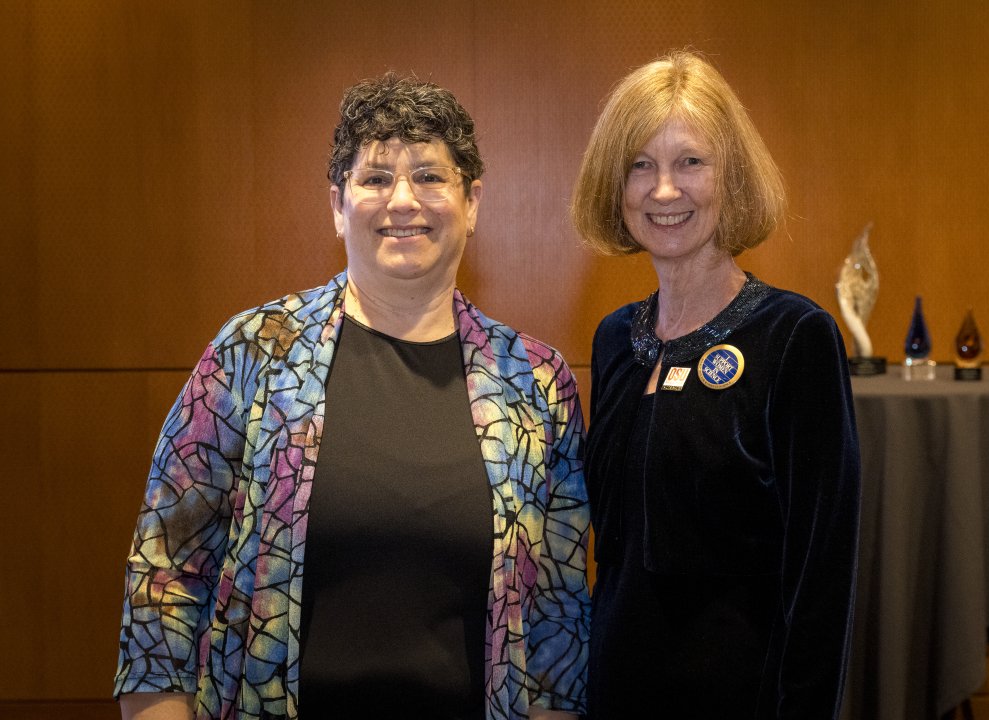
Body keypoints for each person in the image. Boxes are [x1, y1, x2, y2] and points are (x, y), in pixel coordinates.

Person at [114, 73, 590, 720]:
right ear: (337, 205)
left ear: (472, 202)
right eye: (374, 178)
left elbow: (558, 616)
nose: (403, 200)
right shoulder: (253, 352)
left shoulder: (536, 383)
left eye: (429, 176)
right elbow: (165, 567)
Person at [570, 50, 860, 718]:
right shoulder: (616, 339)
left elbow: (822, 579)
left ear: (733, 177)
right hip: (615, 695)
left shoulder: (795, 338)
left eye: (690, 162)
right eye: (640, 165)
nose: (663, 190)